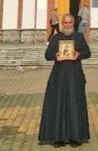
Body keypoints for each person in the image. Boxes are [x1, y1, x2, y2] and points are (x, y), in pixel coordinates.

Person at [39, 13, 91, 148]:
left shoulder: (79, 37)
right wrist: (56, 55)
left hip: (75, 76)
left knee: (75, 105)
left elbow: (88, 53)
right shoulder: (56, 38)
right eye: (65, 23)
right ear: (62, 24)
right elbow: (47, 55)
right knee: (58, 104)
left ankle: (75, 137)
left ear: (73, 24)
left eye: (70, 23)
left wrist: (79, 54)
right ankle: (58, 137)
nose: (67, 25)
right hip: (59, 77)